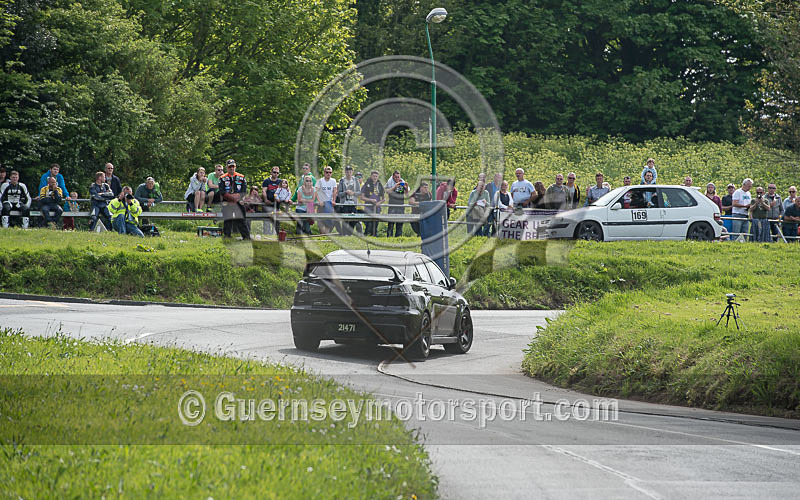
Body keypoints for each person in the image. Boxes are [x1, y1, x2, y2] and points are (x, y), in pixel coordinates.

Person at [218, 159, 250, 239]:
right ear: (227, 167)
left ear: (235, 167)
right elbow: (221, 191)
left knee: (241, 219)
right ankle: (227, 236)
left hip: (238, 201)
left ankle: (246, 237)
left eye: (233, 166)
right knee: (227, 219)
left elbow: (244, 190)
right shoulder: (222, 178)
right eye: (230, 167)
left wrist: (237, 196)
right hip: (227, 201)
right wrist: (230, 197)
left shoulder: (241, 177)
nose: (231, 168)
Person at [337, 166, 361, 235]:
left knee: (353, 220)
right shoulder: (342, 180)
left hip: (353, 202)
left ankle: (349, 233)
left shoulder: (355, 180)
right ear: (345, 172)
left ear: (352, 172)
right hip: (344, 202)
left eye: (350, 172)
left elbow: (359, 192)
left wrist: (353, 193)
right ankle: (344, 234)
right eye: (347, 172)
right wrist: (345, 192)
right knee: (345, 220)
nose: (348, 173)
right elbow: (339, 194)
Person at [360, 170, 384, 237]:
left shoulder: (380, 185)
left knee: (375, 224)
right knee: (369, 224)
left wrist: (379, 203)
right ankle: (366, 236)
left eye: (376, 176)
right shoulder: (366, 185)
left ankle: (374, 236)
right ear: (371, 176)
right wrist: (370, 200)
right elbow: (362, 197)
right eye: (374, 176)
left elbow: (384, 199)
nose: (375, 177)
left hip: (377, 208)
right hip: (368, 208)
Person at [384, 170, 407, 237]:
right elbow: (387, 191)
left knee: (399, 224)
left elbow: (407, 194)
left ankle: (398, 238)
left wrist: (406, 187)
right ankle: (389, 237)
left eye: (398, 177)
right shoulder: (389, 182)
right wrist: (395, 187)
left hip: (400, 206)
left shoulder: (402, 182)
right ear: (393, 177)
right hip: (392, 205)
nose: (397, 178)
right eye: (396, 177)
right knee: (391, 224)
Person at [315, 166, 337, 234]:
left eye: (330, 172)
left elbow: (335, 191)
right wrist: (319, 201)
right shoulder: (320, 181)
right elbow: (316, 192)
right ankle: (322, 234)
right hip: (322, 203)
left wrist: (334, 200)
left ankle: (326, 235)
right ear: (324, 173)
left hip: (329, 203)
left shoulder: (333, 181)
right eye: (327, 172)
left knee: (329, 220)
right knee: (320, 220)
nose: (328, 174)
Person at [261, 166, 282, 235]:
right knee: (267, 218)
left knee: (277, 219)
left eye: (277, 173)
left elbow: (285, 191)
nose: (276, 174)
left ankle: (277, 234)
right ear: (271, 172)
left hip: (277, 203)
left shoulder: (280, 181)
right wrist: (266, 199)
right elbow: (264, 191)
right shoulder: (266, 181)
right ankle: (267, 233)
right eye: (274, 172)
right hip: (268, 202)